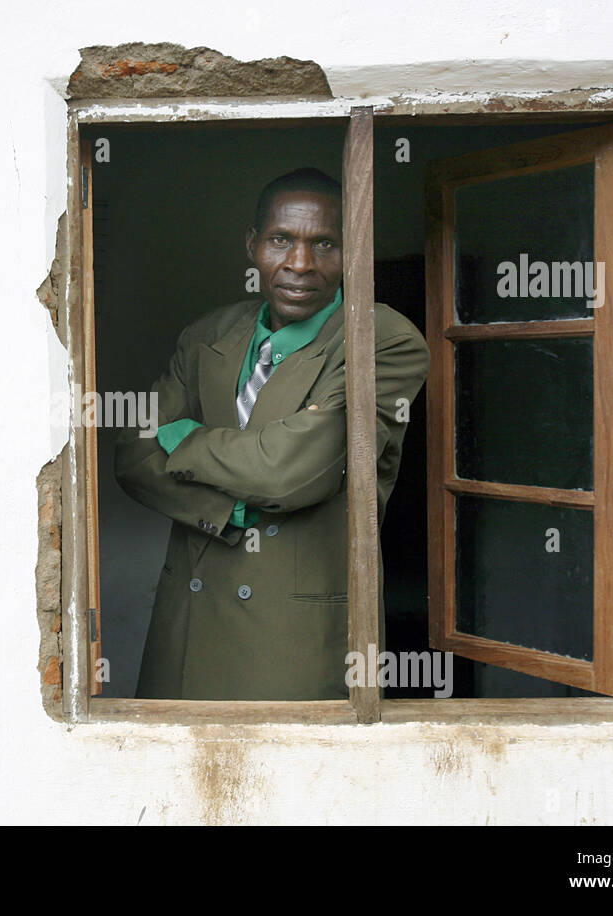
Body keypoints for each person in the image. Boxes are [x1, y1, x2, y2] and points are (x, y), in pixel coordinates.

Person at [114, 167, 430, 700]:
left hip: (291, 636)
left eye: (324, 243)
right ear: (253, 245)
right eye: (282, 239)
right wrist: (233, 509)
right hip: (188, 623)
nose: (301, 265)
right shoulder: (208, 334)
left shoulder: (381, 338)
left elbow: (291, 473)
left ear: (350, 250)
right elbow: (132, 456)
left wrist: (184, 437)